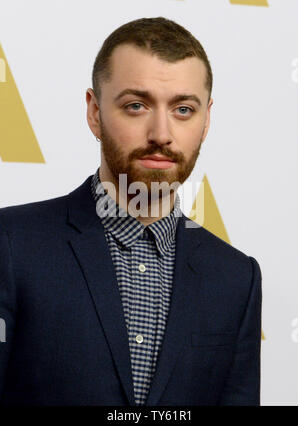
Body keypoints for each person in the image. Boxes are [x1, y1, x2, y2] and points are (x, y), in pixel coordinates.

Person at [0, 17, 262, 406]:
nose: (161, 133)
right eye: (136, 105)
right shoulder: (12, 244)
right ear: (94, 112)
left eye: (183, 109)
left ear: (206, 120)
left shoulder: (237, 279)